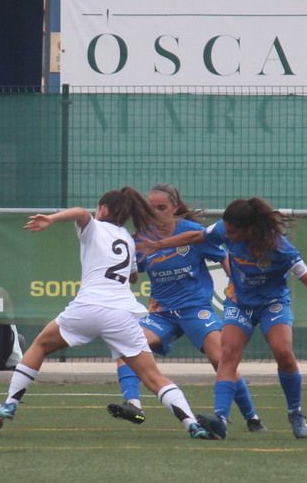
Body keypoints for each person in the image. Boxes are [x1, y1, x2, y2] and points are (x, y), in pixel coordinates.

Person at [0, 189, 226, 441]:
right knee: (152, 376)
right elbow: (133, 275)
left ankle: (10, 404)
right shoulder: (127, 237)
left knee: (40, 345)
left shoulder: (94, 227)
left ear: (102, 210)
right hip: (122, 313)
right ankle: (191, 424)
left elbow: (80, 213)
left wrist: (52, 219)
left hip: (88, 307)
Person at [141, 197, 307, 438]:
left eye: (233, 231)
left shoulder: (280, 248)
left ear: (249, 229)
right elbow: (195, 237)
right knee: (228, 354)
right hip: (239, 303)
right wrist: (160, 245)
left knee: (283, 352)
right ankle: (220, 419)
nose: (227, 235)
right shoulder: (225, 229)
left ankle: (295, 412)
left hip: (272, 304)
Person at [107, 184, 264, 432]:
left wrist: (236, 287)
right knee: (126, 343)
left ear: (175, 208)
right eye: (151, 208)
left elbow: (223, 256)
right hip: (162, 314)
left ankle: (252, 418)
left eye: (162, 207)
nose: (156, 212)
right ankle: (133, 403)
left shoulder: (192, 232)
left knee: (220, 359)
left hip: (195, 310)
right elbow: (131, 273)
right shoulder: (142, 238)